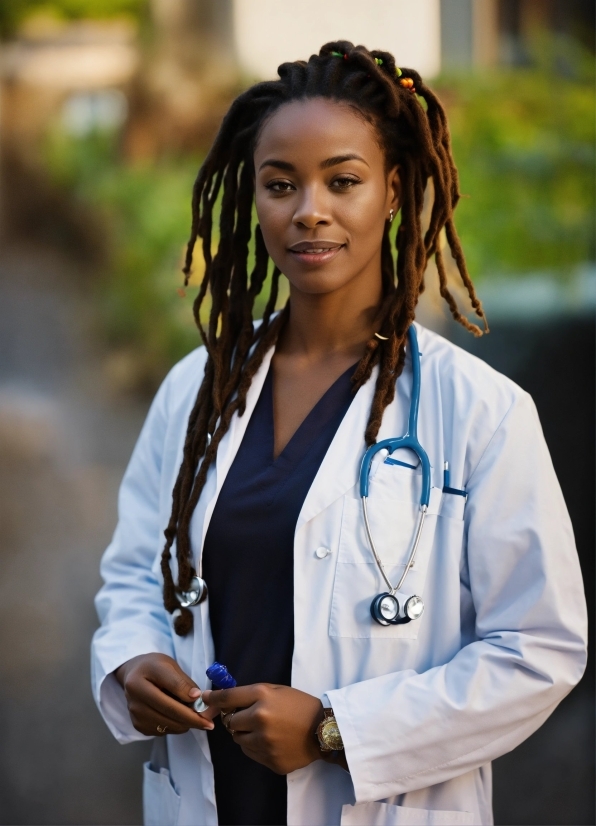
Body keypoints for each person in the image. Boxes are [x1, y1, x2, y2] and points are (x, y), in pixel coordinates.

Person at [91, 42, 587, 826]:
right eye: (280, 184)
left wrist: (334, 731)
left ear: (393, 191)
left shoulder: (480, 411)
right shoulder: (198, 387)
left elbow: (537, 649)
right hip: (208, 799)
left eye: (342, 181)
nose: (308, 209)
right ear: (253, 197)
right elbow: (133, 575)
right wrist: (130, 660)